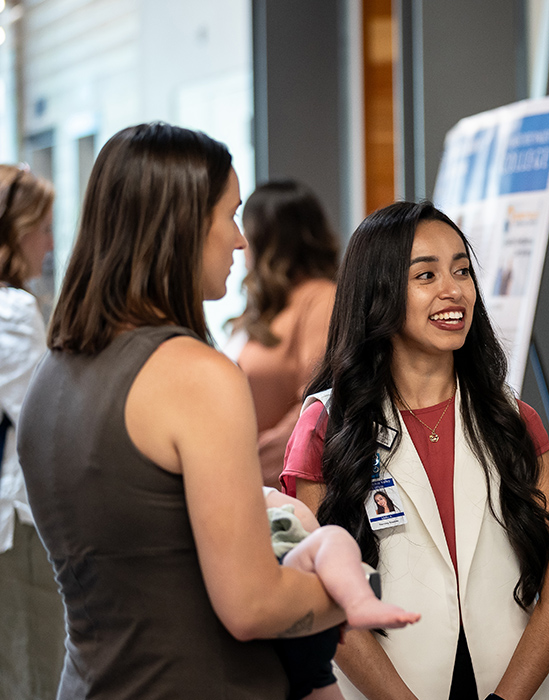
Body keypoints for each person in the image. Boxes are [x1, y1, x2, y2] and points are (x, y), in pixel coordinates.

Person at [17, 122, 348, 699]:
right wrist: (354, 584)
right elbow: (253, 604)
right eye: (230, 215)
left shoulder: (54, 372)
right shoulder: (197, 375)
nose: (240, 240)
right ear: (184, 224)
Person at [281, 201, 549, 700]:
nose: (454, 290)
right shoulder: (328, 426)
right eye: (426, 275)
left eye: (462, 271)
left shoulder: (511, 418)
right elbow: (322, 598)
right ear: (378, 292)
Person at [229, 180, 339, 488]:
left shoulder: (321, 299)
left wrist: (248, 461)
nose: (239, 241)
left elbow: (317, 405)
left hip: (279, 484)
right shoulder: (266, 306)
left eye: (244, 228)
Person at [262, 487, 420, 700]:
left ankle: (359, 601)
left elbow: (302, 519)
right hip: (276, 587)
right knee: (332, 536)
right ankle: (357, 601)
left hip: (291, 576)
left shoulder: (252, 496)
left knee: (333, 536)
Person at [0, 163, 59, 698]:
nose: (50, 243)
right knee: (33, 677)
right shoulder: (14, 311)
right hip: (14, 525)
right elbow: (38, 425)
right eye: (43, 228)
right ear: (16, 233)